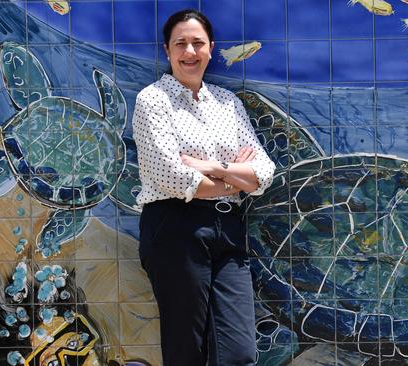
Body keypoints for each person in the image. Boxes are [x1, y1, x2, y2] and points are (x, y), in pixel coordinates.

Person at [131, 9, 275, 366]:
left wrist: (214, 168)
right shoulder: (152, 101)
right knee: (186, 349)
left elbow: (264, 171)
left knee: (239, 352)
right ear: (167, 50)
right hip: (175, 227)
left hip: (228, 231)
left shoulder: (229, 104)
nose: (190, 52)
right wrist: (234, 180)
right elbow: (173, 177)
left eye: (198, 43)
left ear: (211, 48)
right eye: (181, 43)